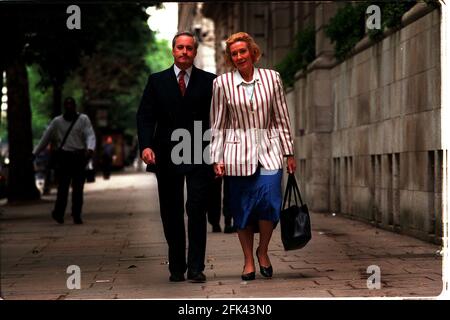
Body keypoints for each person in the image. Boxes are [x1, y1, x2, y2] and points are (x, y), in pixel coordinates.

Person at [210, 32, 297, 280]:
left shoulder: (272, 78)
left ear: (252, 52)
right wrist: (217, 158)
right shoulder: (221, 84)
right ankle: (248, 259)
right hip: (237, 153)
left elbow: (281, 117)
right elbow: (217, 124)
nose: (239, 57)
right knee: (243, 209)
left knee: (270, 202)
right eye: (234, 54)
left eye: (243, 51)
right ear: (231, 58)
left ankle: (263, 250)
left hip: (269, 151)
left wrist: (288, 151)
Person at [136, 31, 216, 283]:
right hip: (166, 154)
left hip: (199, 151)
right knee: (170, 211)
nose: (184, 52)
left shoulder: (209, 82)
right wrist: (146, 145)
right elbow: (145, 116)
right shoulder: (156, 81)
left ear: (195, 52)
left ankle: (195, 267)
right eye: (180, 47)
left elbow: (218, 119)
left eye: (189, 48)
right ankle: (177, 267)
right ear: (173, 50)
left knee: (196, 209)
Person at [32, 97, 96, 225]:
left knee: (78, 188)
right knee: (63, 188)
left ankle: (76, 214)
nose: (69, 108)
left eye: (71, 106)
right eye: (67, 106)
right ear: (64, 108)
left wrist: (90, 148)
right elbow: (46, 138)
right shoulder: (57, 122)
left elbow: (90, 135)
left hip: (78, 157)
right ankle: (59, 213)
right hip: (64, 158)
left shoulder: (83, 119)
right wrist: (35, 153)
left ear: (75, 107)